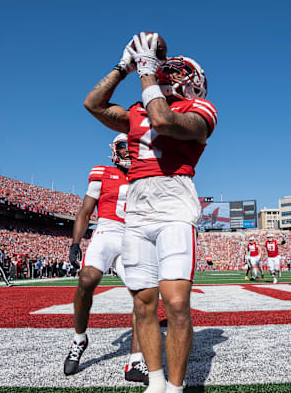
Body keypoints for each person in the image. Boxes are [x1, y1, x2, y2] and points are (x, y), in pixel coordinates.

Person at [84, 32, 218, 393]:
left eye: (176, 73)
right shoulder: (137, 110)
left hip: (174, 206)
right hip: (137, 210)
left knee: (175, 304)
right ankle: (155, 383)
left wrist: (145, 72)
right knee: (144, 304)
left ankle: (175, 388)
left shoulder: (201, 111)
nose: (170, 75)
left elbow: (162, 121)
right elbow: (93, 104)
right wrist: (123, 67)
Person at [63, 134, 148, 384]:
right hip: (106, 231)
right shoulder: (102, 172)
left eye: (132, 147)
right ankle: (79, 338)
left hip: (133, 235)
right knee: (87, 280)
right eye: (124, 147)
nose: (128, 152)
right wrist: (75, 243)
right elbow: (86, 210)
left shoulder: (146, 177)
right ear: (114, 150)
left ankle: (135, 361)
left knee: (142, 295)